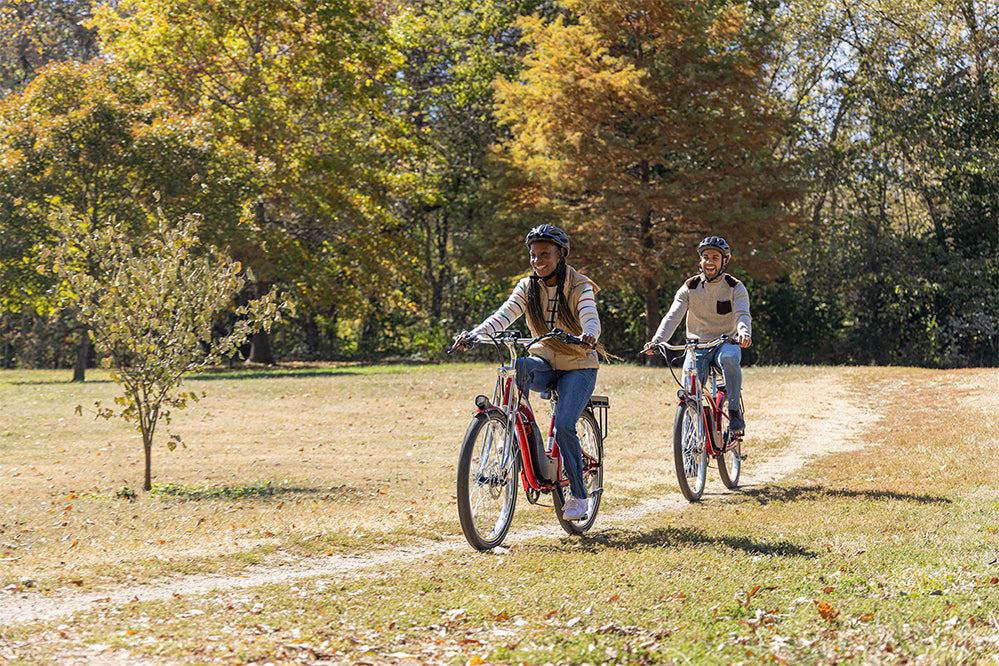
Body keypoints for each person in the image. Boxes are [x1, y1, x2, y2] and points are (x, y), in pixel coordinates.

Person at [456, 224, 602, 521]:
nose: (537, 261)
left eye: (544, 254)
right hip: (544, 361)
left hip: (578, 364)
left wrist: (589, 332)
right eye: (533, 255)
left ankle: (578, 495)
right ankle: (508, 431)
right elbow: (504, 315)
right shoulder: (528, 286)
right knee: (519, 368)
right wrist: (475, 334)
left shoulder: (579, 285)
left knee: (563, 425)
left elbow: (589, 314)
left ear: (561, 254)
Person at [642, 236, 752, 433]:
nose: (709, 261)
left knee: (729, 358)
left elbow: (742, 314)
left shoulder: (735, 287)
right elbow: (672, 317)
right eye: (705, 257)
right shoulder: (690, 286)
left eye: (715, 257)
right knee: (689, 389)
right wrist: (657, 341)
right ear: (700, 260)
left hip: (725, 342)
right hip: (697, 346)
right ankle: (692, 431)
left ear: (724, 261)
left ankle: (734, 410)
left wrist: (744, 333)